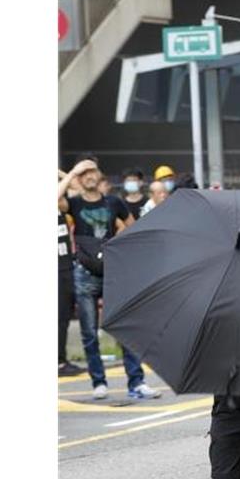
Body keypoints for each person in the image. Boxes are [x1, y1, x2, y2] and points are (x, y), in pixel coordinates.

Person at [58, 158, 159, 399]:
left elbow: (133, 227)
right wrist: (72, 172)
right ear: (80, 180)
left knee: (125, 327)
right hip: (84, 273)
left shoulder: (113, 202)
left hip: (113, 271)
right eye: (86, 172)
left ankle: (136, 382)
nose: (90, 175)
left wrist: (121, 246)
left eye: (93, 171)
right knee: (89, 332)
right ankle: (98, 382)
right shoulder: (73, 203)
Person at [57, 206, 84, 377]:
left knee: (64, 317)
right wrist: (70, 176)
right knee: (58, 317)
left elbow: (75, 187)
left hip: (66, 266)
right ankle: (58, 362)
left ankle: (61, 359)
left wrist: (66, 177)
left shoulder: (61, 206)